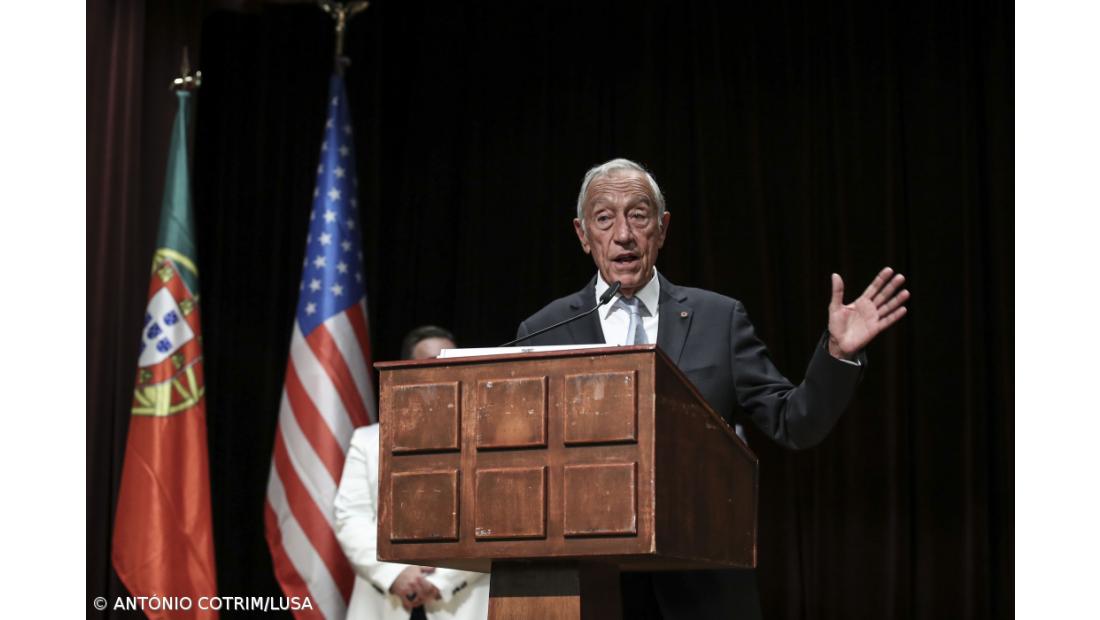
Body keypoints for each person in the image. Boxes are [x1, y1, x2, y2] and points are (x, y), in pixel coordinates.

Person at [515, 158, 909, 619]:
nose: (623, 233)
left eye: (638, 215)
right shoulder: (543, 332)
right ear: (583, 235)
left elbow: (793, 423)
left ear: (661, 229)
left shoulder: (718, 319)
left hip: (702, 589)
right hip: (586, 588)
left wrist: (837, 355)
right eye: (604, 218)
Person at [334, 326, 489, 620]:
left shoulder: (487, 440)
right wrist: (396, 574)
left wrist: (439, 580)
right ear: (407, 370)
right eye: (432, 360)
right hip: (384, 603)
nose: (443, 368)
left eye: (452, 360)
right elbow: (350, 518)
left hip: (460, 603)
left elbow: (494, 524)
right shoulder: (368, 441)